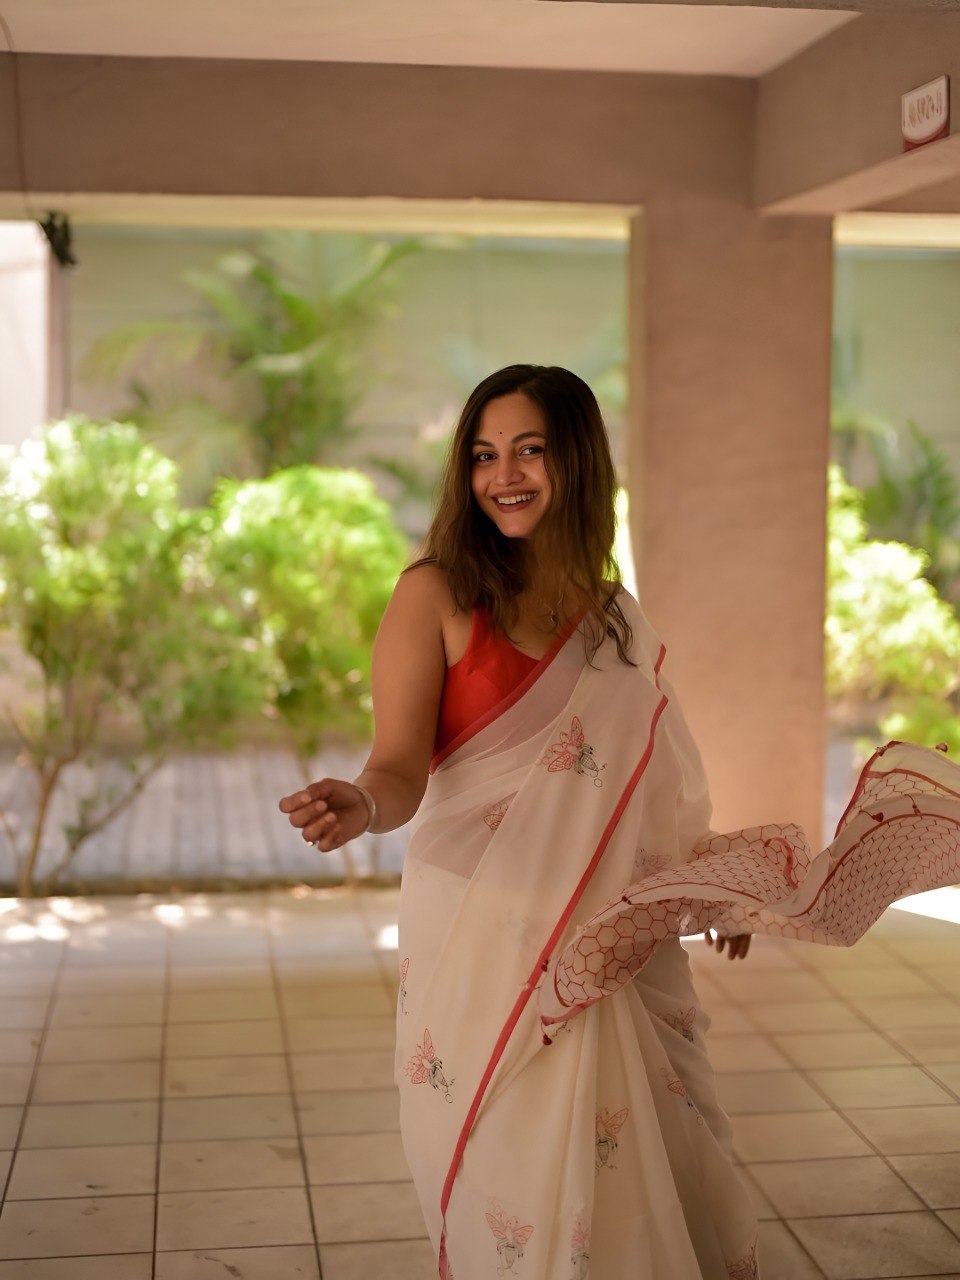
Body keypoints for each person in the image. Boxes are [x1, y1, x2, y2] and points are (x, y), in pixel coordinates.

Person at [280, 364, 960, 1280]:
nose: (503, 475)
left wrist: (707, 887)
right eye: (484, 455)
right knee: (510, 1167)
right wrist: (360, 804)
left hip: (608, 935)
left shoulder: (613, 617)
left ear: (577, 460)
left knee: (649, 1164)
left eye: (530, 450)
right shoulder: (435, 594)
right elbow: (399, 767)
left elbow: (655, 792)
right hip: (483, 938)